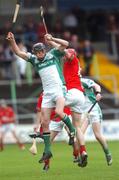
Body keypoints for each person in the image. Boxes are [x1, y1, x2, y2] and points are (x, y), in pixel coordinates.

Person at [6, 32, 75, 162]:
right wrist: (12, 41)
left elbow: (66, 44)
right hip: (47, 93)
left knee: (60, 112)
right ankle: (48, 151)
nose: (40, 54)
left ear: (44, 50)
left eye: (41, 51)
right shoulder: (34, 59)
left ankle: (72, 130)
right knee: (44, 122)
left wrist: (52, 38)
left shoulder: (52, 54)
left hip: (59, 88)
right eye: (37, 52)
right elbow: (18, 52)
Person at [73, 76, 112, 166]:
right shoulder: (71, 84)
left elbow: (96, 86)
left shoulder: (84, 81)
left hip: (93, 109)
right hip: (83, 112)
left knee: (97, 135)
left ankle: (107, 153)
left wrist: (98, 93)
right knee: (78, 136)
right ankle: (82, 158)